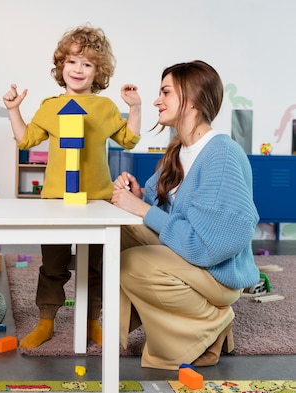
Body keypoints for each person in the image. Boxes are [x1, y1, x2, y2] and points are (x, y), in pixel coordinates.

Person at [111, 60, 260, 369]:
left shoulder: (221, 154)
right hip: (188, 258)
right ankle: (129, 325)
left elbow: (208, 247)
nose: (156, 101)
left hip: (215, 272)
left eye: (165, 92)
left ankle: (210, 323)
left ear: (191, 98)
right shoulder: (178, 150)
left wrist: (142, 209)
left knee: (134, 264)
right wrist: (139, 198)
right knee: (117, 233)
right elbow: (163, 211)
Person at [2, 24, 141, 349]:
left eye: (88, 64)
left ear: (98, 72)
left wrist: (134, 107)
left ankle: (93, 320)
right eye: (73, 61)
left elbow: (129, 140)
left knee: (94, 267)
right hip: (57, 201)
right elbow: (25, 139)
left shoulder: (104, 107)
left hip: (97, 201)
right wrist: (13, 110)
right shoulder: (50, 106)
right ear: (61, 65)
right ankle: (46, 321)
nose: (78, 69)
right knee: (52, 265)